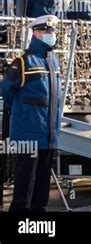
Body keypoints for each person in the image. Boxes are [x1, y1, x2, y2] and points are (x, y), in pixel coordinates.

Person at [3, 15, 61, 211]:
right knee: (24, 189)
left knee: (41, 190)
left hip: (49, 134)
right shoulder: (23, 61)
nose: (52, 35)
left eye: (53, 31)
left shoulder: (53, 60)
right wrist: (21, 113)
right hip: (28, 134)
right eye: (48, 31)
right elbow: (6, 91)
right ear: (36, 33)